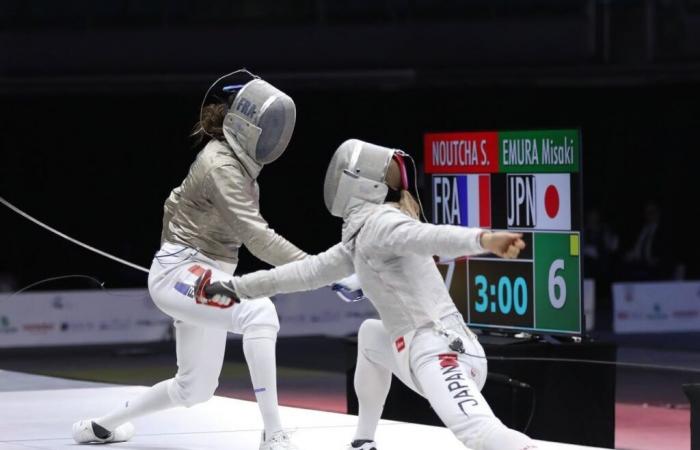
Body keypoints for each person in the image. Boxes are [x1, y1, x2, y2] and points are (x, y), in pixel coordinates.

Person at [197, 139, 538, 450]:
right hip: (420, 351)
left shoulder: (381, 223)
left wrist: (484, 240)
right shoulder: (360, 238)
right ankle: (363, 441)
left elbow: (429, 236)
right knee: (372, 336)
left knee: (481, 434)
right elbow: (302, 273)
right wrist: (236, 287)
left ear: (360, 182)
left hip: (441, 354)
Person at [72, 72, 307, 450]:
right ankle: (273, 435)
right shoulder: (221, 166)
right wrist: (320, 268)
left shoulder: (238, 168)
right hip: (182, 273)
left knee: (193, 389)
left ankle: (101, 426)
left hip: (200, 273)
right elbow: (257, 237)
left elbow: (172, 204)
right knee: (259, 313)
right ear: (242, 125)